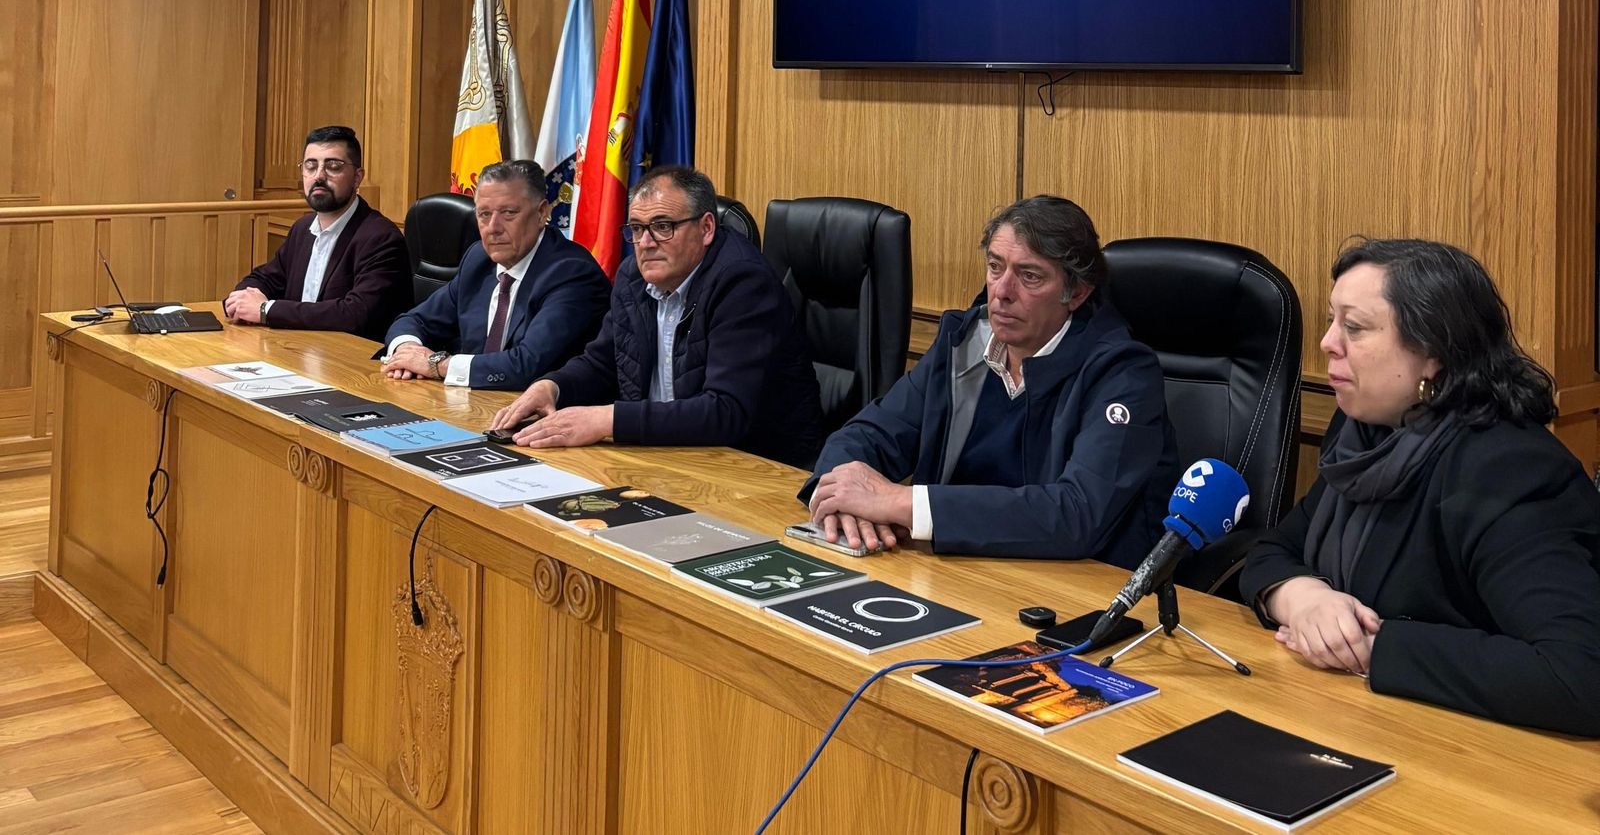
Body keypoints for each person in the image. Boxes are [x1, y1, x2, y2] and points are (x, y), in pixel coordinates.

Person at [1240, 238, 1600, 736]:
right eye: (1331, 320)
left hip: (1482, 754)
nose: (1326, 342)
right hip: (1361, 722)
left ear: (1433, 353)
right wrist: (1303, 598)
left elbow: (1577, 676)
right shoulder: (1367, 434)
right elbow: (1272, 549)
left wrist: (1374, 647)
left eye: (1355, 327)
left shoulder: (1508, 469)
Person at [799, 196, 1177, 568]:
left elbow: (1076, 515)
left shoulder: (1123, 374)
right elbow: (867, 434)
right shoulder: (964, 342)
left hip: (1073, 587)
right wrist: (839, 500)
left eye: (1030, 276)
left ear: (1076, 293)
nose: (1002, 291)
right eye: (996, 267)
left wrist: (900, 503)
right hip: (954, 568)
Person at [488, 165, 824, 467]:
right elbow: (603, 362)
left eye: (662, 226)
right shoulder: (634, 276)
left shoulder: (742, 283)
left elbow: (725, 412)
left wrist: (608, 420)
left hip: (754, 466)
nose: (646, 242)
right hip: (663, 455)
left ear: (706, 228)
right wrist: (552, 386)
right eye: (636, 228)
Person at [381, 159, 609, 390]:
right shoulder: (478, 259)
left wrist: (436, 365)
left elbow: (527, 365)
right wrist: (406, 351)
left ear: (541, 213)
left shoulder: (572, 273)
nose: (493, 227)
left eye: (508, 213)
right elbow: (414, 320)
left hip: (541, 415)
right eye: (484, 214)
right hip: (472, 403)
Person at [225, 126, 411, 340]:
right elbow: (265, 278)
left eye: (333, 166)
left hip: (349, 361)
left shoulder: (380, 237)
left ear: (357, 177)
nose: (319, 176)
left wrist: (267, 310)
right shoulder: (302, 229)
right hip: (298, 348)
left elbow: (356, 314)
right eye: (311, 166)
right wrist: (241, 299)